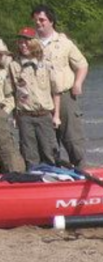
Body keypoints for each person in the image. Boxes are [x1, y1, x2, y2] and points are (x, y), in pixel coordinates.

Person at [31, 4, 88, 168]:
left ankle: (82, 173)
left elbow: (82, 65)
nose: (38, 23)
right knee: (47, 142)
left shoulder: (64, 43)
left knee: (72, 139)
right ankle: (52, 175)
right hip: (41, 99)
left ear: (51, 21)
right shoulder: (30, 44)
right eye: (35, 20)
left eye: (42, 19)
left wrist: (78, 83)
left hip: (64, 96)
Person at [10, 27, 60, 168]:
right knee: (29, 154)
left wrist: (56, 115)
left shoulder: (46, 64)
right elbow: (13, 92)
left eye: (27, 42)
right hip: (25, 116)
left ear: (34, 43)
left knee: (49, 151)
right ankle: (34, 180)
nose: (23, 45)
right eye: (20, 42)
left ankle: (53, 179)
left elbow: (56, 91)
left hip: (44, 115)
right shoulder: (14, 65)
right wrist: (15, 116)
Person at [0, 40, 27, 173]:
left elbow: (10, 96)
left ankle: (16, 175)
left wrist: (4, 112)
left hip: (0, 112)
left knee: (6, 147)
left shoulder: (4, 72)